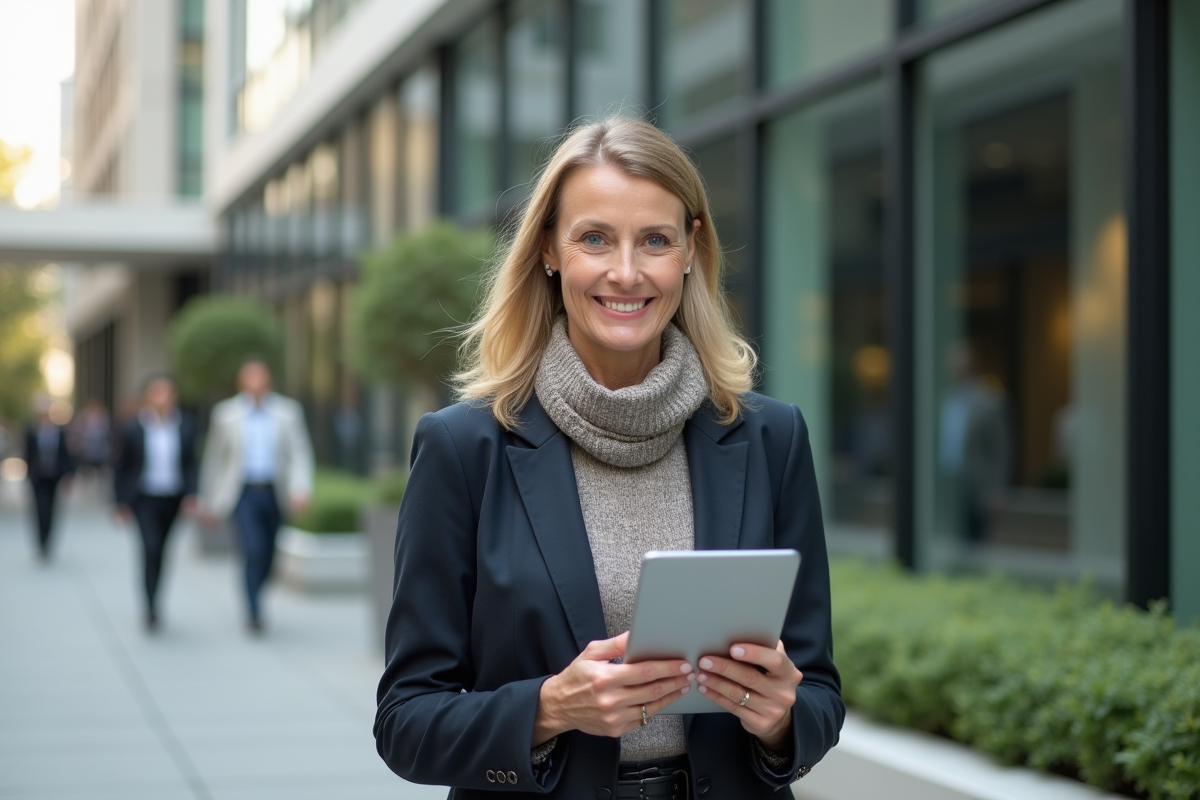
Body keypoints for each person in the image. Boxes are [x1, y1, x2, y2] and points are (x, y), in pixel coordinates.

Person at [374, 117, 843, 798]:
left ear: (690, 249)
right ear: (548, 251)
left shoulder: (771, 439)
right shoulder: (464, 449)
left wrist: (780, 720)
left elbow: (820, 693)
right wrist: (551, 707)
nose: (626, 272)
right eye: (595, 238)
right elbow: (406, 724)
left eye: (654, 239)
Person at [198, 357, 314, 633]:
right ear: (242, 382)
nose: (256, 383)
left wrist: (301, 489)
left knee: (270, 556)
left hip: (275, 492)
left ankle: (256, 591)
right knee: (253, 549)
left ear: (269, 380)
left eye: (260, 377)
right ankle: (253, 611)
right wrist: (208, 501)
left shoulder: (288, 411)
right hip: (242, 493)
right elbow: (214, 459)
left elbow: (300, 452)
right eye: (250, 377)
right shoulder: (226, 414)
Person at [112, 376, 199, 632]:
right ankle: (150, 605)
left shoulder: (186, 426)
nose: (162, 398)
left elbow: (192, 464)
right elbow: (121, 467)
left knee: (162, 550)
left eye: (167, 393)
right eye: (157, 392)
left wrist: (192, 495)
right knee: (150, 548)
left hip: (173, 498)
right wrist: (120, 503)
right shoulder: (132, 428)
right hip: (144, 498)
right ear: (147, 397)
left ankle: (156, 596)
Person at [938, 342, 1010, 544]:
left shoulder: (989, 401)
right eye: (953, 364)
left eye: (960, 363)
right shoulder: (945, 399)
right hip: (946, 484)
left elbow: (1001, 449)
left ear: (973, 365)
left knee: (974, 543)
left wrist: (997, 491)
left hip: (976, 488)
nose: (955, 368)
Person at [24, 398, 75, 562]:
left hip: (54, 477)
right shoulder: (31, 432)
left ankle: (48, 540)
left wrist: (69, 475)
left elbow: (66, 456)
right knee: (40, 509)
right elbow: (27, 455)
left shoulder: (59, 433)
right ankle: (40, 542)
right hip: (38, 478)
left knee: (51, 510)